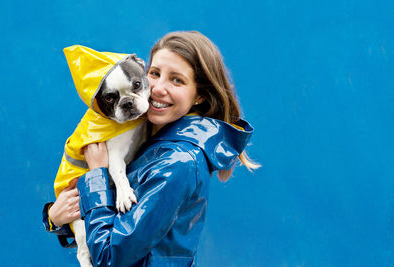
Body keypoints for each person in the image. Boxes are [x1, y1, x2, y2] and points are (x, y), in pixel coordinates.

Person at [43, 30, 259, 266]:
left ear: (199, 95)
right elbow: (111, 226)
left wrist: (97, 176)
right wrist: (56, 218)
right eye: (154, 74)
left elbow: (108, 257)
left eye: (177, 80)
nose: (158, 88)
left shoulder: (178, 163)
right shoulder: (150, 140)